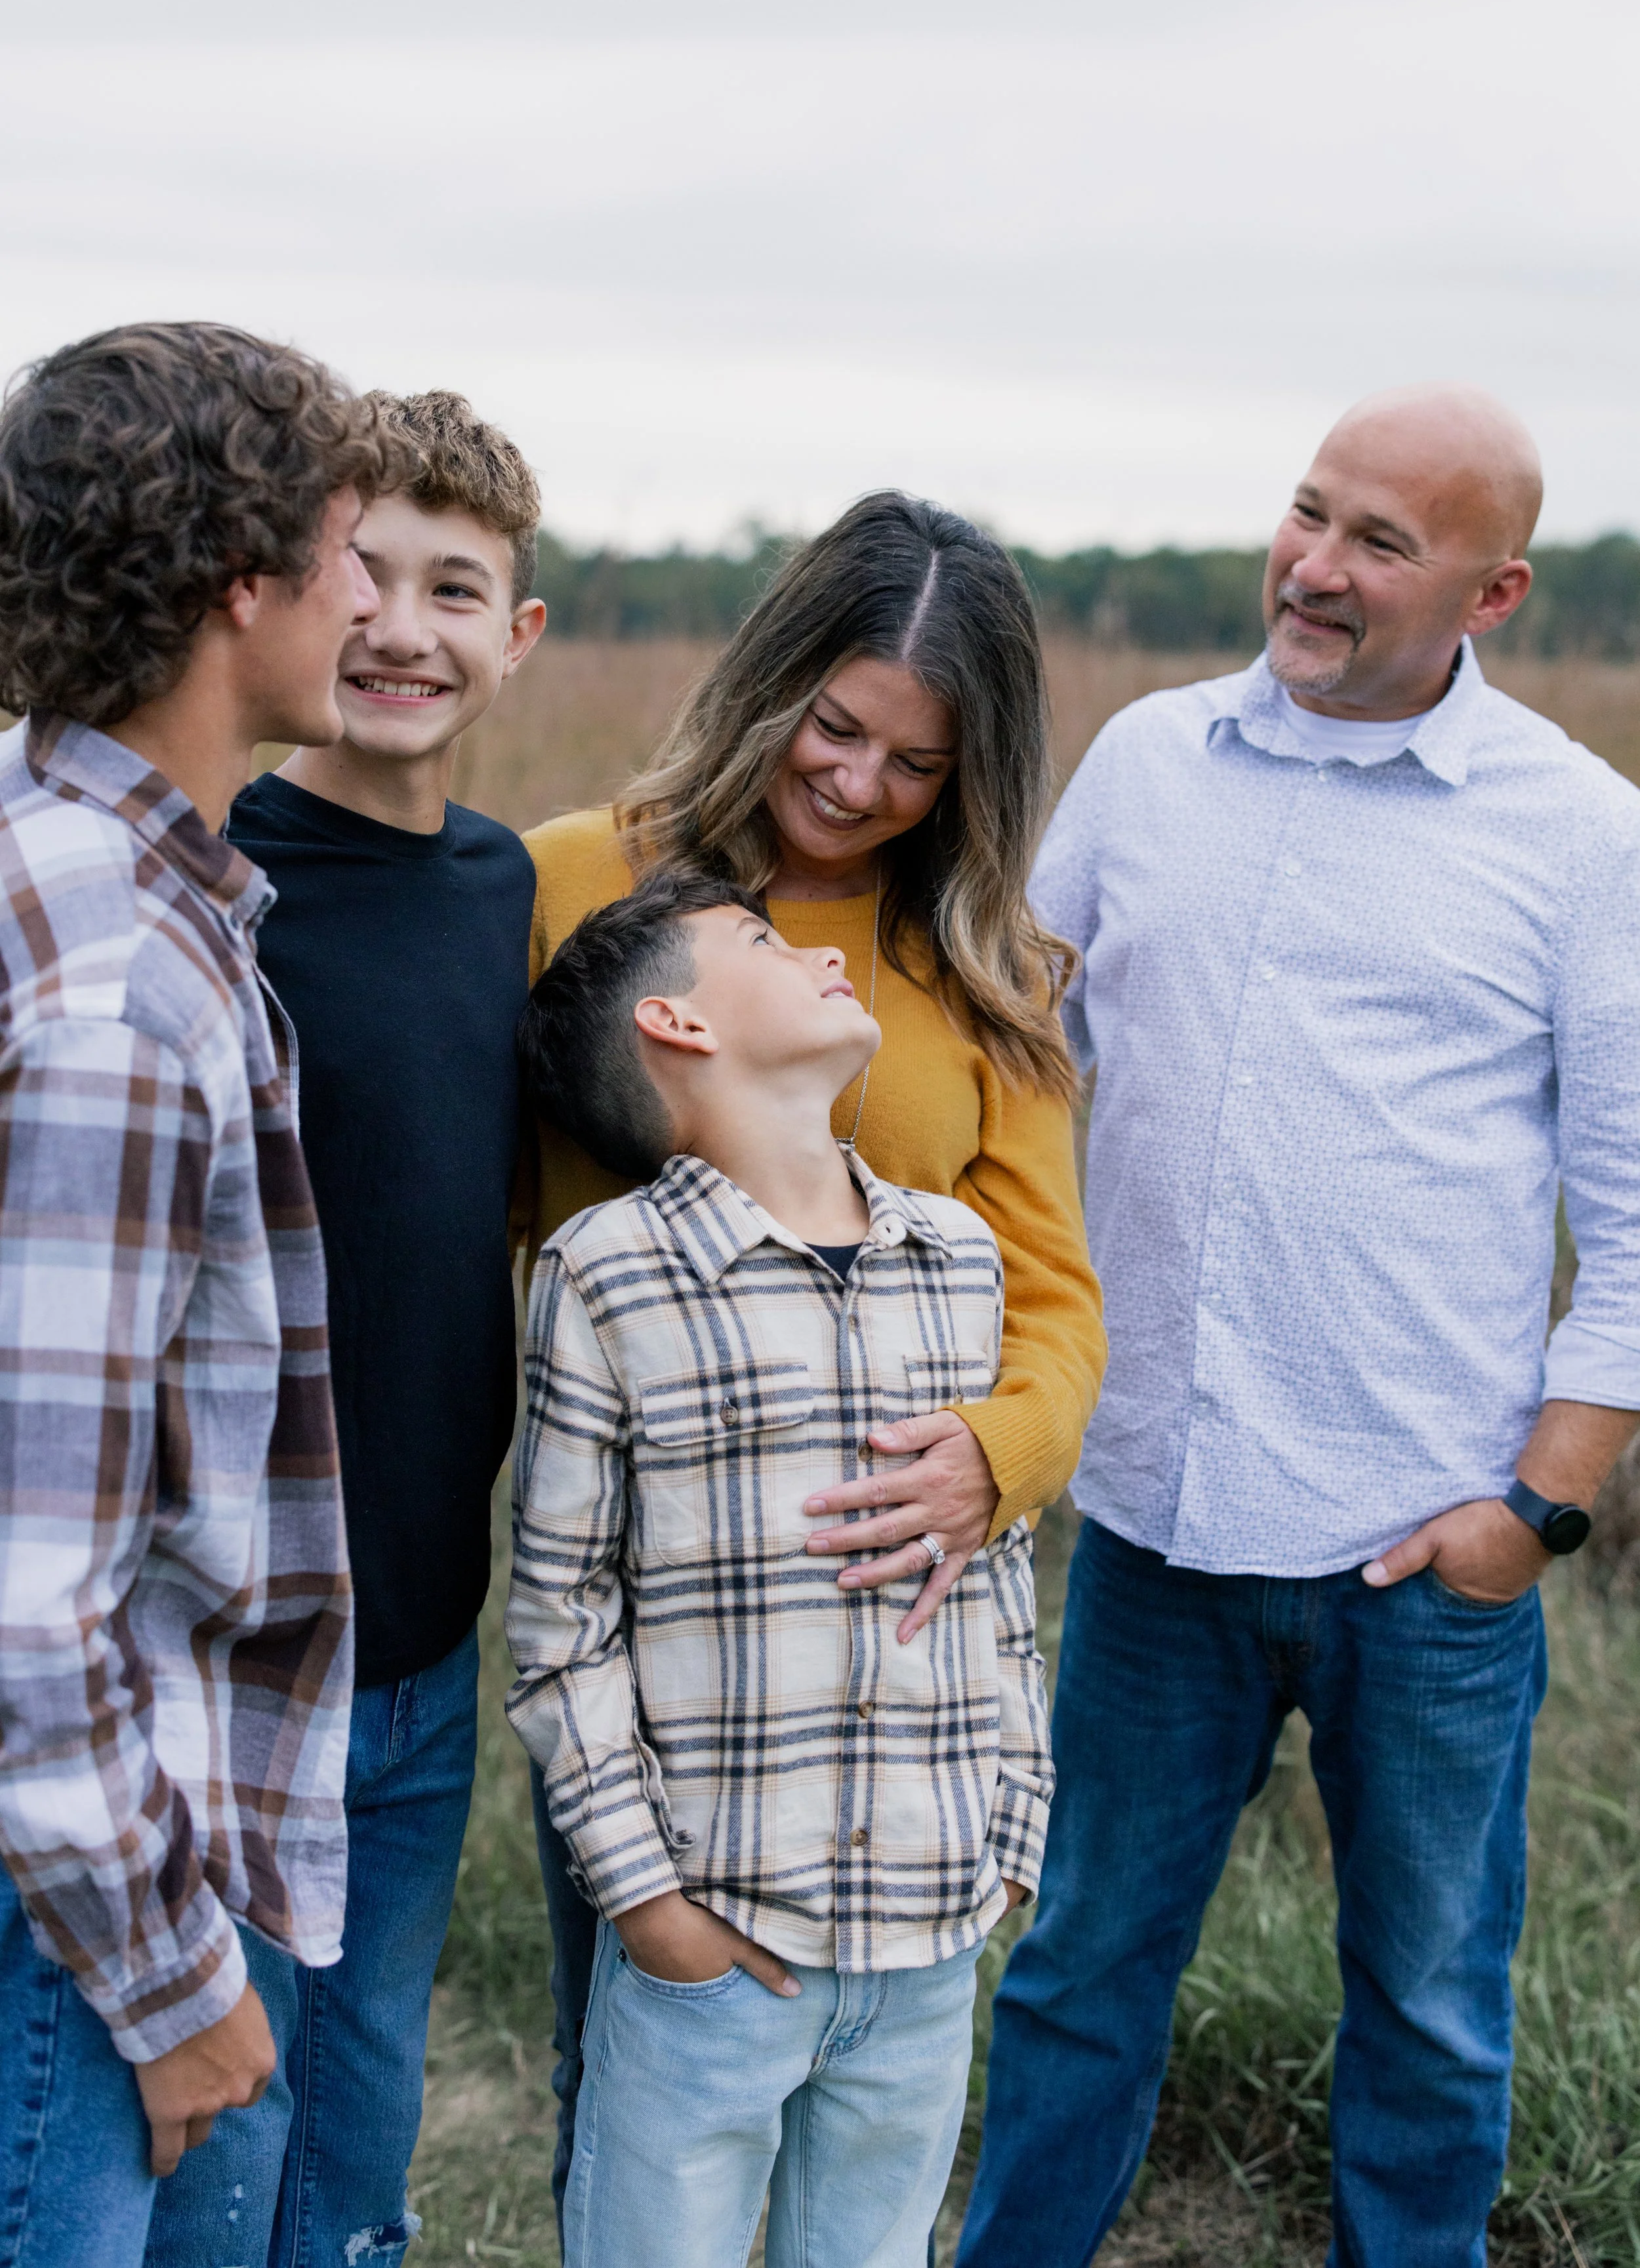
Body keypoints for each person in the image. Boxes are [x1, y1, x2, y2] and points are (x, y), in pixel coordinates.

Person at [957, 384, 1640, 2268]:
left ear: (1487, 589)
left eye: (1375, 542)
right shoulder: (1146, 759)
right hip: (1150, 1524)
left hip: (1421, 1551)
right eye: (1306, 513)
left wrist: (1535, 1514)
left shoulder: (1583, 836)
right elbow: (1015, 1053)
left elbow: (1639, 1213)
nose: (1312, 567)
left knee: (1425, 2005)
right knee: (1079, 1965)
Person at [519, 491, 1107, 2224]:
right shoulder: (575, 880)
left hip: (902, 1659)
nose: (855, 784)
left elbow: (1060, 1303)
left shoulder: (981, 973)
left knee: (863, 2162)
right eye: (833, 726)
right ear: (770, 679)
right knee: (637, 2077)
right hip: (678, 1645)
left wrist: (995, 1452)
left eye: (915, 763)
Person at [0, 322, 403, 2267]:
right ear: (238, 582)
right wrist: (175, 1985)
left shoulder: (72, 866)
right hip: (75, 1888)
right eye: (346, 551)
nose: (373, 600)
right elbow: (29, 1586)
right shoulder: (124, 995)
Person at [507, 870, 1054, 2268]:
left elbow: (1000, 1587)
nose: (815, 944)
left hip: (929, 1934)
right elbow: (564, 1629)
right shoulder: (605, 1277)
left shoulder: (957, 1258)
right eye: (759, 939)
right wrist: (644, 1904)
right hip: (718, 1939)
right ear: (676, 1024)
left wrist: (1009, 1844)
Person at [144, 391, 546, 2268]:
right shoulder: (225, 880)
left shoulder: (509, 887)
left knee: (365, 2130)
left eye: (454, 586)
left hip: (425, 1644)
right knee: (227, 2140)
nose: (401, 625)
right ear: (287, 594)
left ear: (519, 632)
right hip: (235, 1649)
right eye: (359, 572)